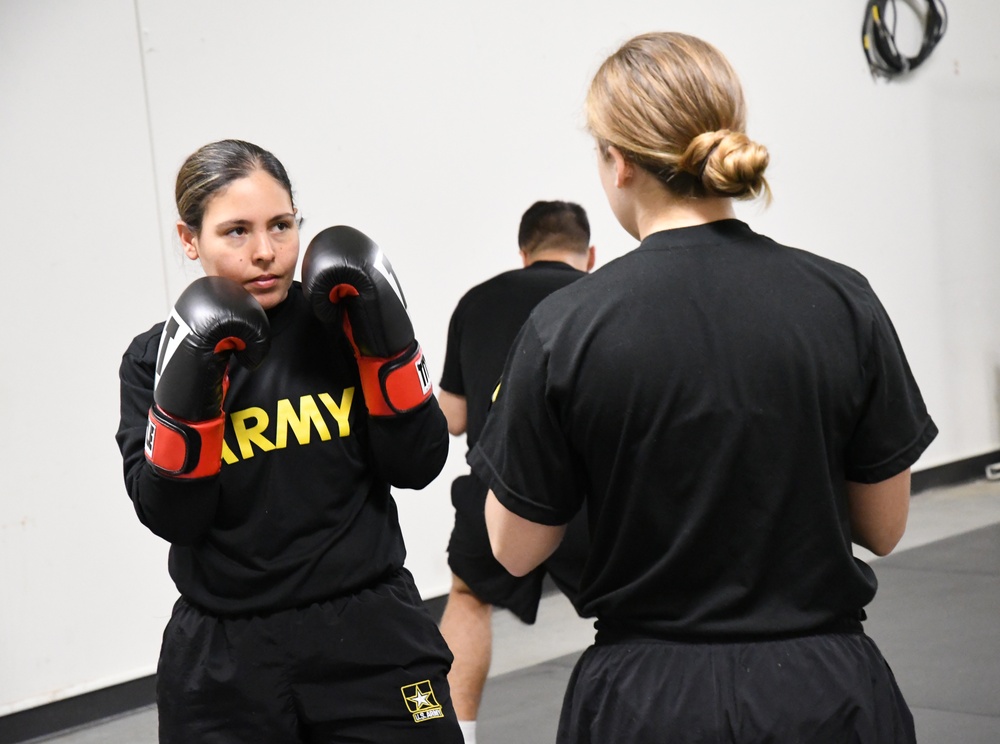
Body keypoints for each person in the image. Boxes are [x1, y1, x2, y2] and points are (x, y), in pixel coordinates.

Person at [469, 32, 937, 744]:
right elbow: (885, 527)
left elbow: (514, 551)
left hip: (647, 701)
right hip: (825, 692)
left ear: (617, 161)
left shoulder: (565, 327)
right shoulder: (844, 300)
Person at [116, 139, 463, 743]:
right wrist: (192, 398)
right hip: (228, 655)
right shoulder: (156, 358)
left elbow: (420, 462)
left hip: (371, 632)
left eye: (281, 225)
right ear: (189, 238)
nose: (265, 253)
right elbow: (174, 516)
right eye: (236, 232)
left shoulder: (345, 318)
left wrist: (386, 349)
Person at [436, 201, 595, 743]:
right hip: (593, 492)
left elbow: (453, 418)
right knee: (631, 610)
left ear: (523, 254)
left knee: (467, 598)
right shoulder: (600, 296)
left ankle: (459, 735)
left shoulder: (476, 301)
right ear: (589, 254)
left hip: (497, 487)